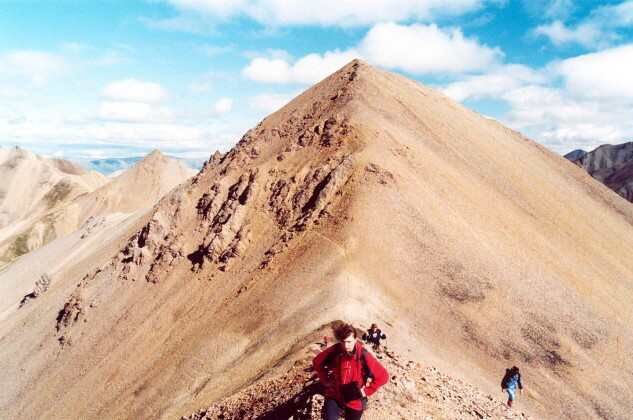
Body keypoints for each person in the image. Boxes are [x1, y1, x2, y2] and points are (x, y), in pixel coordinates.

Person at [313, 323, 389, 419]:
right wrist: (326, 380)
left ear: (355, 340)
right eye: (343, 342)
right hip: (335, 395)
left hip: (354, 400)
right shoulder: (336, 350)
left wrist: (366, 391)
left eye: (349, 342)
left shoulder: (363, 355)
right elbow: (317, 362)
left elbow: (384, 376)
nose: (345, 345)